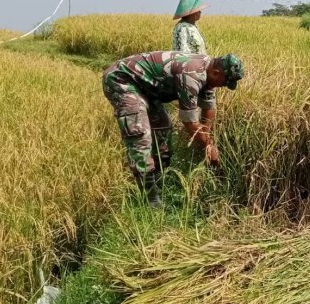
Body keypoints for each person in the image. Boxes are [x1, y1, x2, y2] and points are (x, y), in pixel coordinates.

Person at [102, 51, 243, 206]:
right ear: (216, 73)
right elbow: (189, 122)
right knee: (140, 135)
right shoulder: (191, 74)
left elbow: (208, 107)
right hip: (123, 80)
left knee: (163, 130)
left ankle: (158, 181)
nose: (223, 86)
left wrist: (208, 142)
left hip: (148, 88)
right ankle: (150, 199)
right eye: (224, 82)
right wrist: (208, 146)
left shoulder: (209, 71)